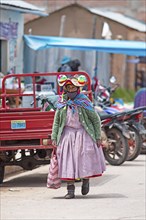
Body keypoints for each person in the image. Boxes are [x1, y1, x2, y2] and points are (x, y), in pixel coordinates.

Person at [51, 74, 106, 199]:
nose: (71, 91)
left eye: (73, 88)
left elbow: (95, 120)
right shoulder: (62, 103)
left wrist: (97, 136)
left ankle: (85, 180)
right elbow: (57, 122)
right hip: (67, 135)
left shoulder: (84, 102)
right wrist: (54, 137)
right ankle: (70, 190)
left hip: (83, 135)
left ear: (78, 89)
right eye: (68, 88)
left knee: (84, 160)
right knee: (68, 162)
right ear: (64, 89)